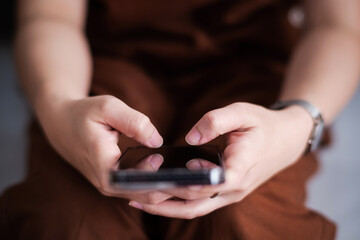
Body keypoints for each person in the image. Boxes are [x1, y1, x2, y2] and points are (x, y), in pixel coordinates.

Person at [1, 0, 359, 239]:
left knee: (245, 220)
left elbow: (340, 26)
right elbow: (48, 16)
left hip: (255, 74)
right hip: (98, 66)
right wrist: (58, 106)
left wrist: (296, 123)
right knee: (68, 219)